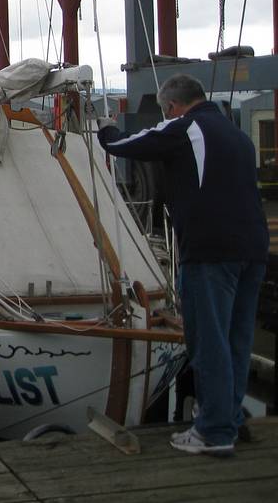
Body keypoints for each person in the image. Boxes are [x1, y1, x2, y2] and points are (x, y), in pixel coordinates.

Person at [96, 74, 268, 457]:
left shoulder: (186, 128)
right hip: (253, 250)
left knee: (208, 342)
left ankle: (213, 432)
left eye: (164, 111)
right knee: (236, 341)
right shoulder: (236, 135)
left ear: (171, 107)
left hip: (209, 252)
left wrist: (103, 131)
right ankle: (230, 420)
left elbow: (127, 144)